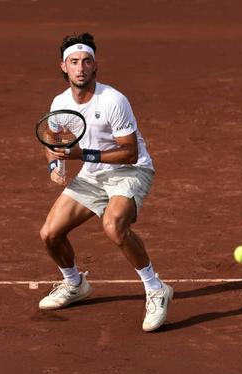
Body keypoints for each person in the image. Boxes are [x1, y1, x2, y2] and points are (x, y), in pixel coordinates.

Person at [38, 32, 173, 332]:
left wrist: (80, 154)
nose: (81, 67)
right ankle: (75, 284)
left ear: (95, 65)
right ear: (64, 67)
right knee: (50, 234)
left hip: (131, 171)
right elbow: (52, 138)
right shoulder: (60, 102)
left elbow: (130, 152)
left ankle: (156, 289)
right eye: (74, 62)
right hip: (93, 174)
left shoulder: (113, 100)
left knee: (113, 225)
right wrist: (53, 165)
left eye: (87, 61)